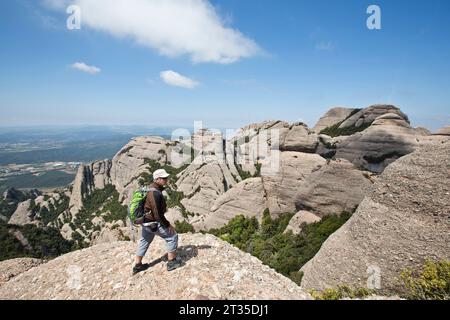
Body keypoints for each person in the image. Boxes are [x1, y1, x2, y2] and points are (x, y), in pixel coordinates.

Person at [133, 168, 183, 275]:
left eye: (166, 178)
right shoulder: (154, 193)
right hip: (152, 222)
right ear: (157, 179)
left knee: (145, 240)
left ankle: (137, 265)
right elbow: (157, 214)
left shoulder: (149, 188)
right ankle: (171, 262)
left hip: (145, 222)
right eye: (164, 178)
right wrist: (168, 225)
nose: (166, 179)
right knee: (172, 236)